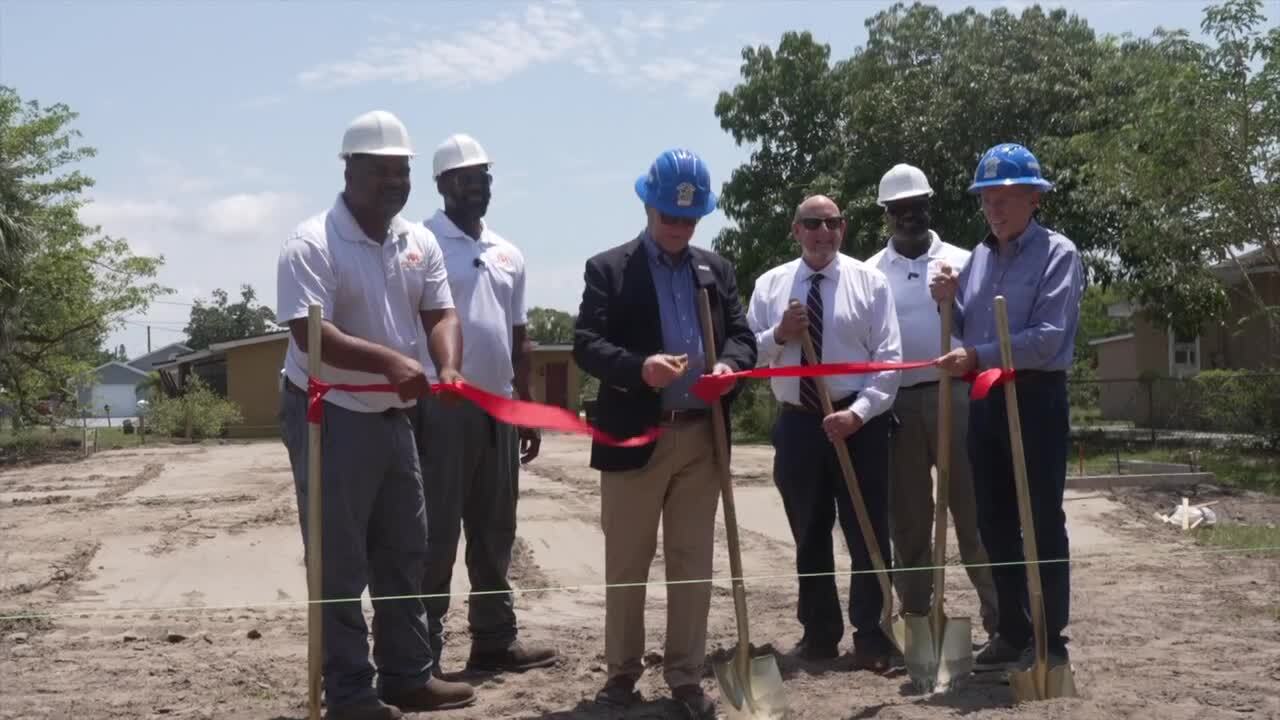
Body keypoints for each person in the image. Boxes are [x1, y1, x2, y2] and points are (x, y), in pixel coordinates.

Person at [275, 110, 477, 719]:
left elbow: (442, 314)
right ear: (350, 170)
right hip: (328, 411)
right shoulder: (312, 243)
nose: (396, 182)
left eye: (404, 172)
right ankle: (350, 694)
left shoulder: (418, 241)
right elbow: (312, 335)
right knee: (340, 560)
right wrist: (391, 363)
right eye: (384, 171)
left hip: (394, 416)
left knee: (404, 547)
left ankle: (408, 676)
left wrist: (447, 366)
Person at [572, 148, 756, 718]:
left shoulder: (715, 268)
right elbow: (586, 343)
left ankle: (684, 676)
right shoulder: (609, 269)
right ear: (648, 206)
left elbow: (743, 336)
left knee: (691, 562)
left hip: (703, 439)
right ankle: (621, 677)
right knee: (627, 563)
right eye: (668, 216)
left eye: (689, 218)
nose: (678, 227)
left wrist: (729, 366)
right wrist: (639, 369)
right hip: (635, 436)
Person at [930, 143, 1085, 671]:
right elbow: (967, 329)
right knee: (992, 519)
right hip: (986, 401)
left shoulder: (1058, 254)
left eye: (1005, 198)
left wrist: (977, 353)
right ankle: (1012, 632)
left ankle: (1051, 640)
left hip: (1035, 397)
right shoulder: (977, 261)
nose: (994, 209)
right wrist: (947, 301)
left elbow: (1047, 338)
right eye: (987, 200)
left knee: (1041, 518)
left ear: (1034, 199)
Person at [416, 133, 557, 674]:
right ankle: (421, 651)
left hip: (500, 407)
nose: (478, 188)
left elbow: (520, 336)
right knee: (436, 531)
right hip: (443, 407)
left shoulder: (507, 252)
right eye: (467, 179)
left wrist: (526, 401)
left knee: (496, 528)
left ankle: (495, 640)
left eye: (484, 179)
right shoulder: (420, 243)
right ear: (444, 184)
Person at [746, 194, 902, 672]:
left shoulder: (869, 282)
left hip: (860, 425)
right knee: (809, 533)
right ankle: (818, 634)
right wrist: (778, 335)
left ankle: (872, 635)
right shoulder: (771, 285)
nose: (822, 232)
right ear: (796, 230)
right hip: (798, 425)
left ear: (843, 228)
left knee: (868, 531)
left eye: (832, 223)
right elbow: (745, 355)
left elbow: (889, 359)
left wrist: (858, 413)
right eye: (812, 224)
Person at [866, 164, 999, 642]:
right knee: (909, 522)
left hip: (957, 396)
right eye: (899, 210)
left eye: (917, 207)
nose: (909, 217)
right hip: (898, 403)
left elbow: (984, 330)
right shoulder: (869, 273)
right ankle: (919, 622)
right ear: (886, 215)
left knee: (974, 513)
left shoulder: (967, 261)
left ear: (930, 207)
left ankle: (1000, 622)